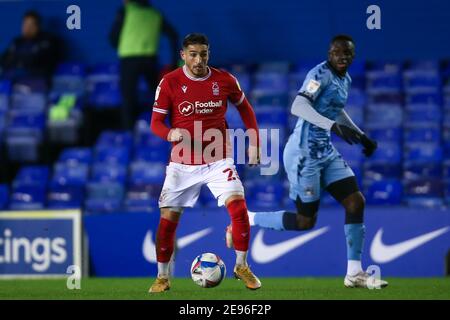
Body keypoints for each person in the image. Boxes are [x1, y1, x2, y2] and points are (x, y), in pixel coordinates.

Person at [226, 35, 388, 289]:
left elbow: (335, 110)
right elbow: (298, 106)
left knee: (356, 201)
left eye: (347, 53)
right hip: (304, 155)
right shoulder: (319, 75)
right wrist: (332, 126)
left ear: (353, 56)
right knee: (305, 221)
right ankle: (248, 218)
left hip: (325, 152)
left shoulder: (344, 79)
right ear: (329, 53)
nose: (342, 57)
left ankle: (354, 273)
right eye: (337, 52)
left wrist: (361, 135)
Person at [148, 33, 262, 293]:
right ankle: (162, 277)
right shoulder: (170, 82)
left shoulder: (224, 80)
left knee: (239, 207)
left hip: (218, 159)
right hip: (182, 164)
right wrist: (169, 133)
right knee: (168, 220)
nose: (199, 60)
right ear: (183, 55)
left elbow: (245, 108)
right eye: (193, 54)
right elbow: (155, 122)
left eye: (203, 54)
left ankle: (241, 266)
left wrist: (254, 142)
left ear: (209, 54)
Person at [109, 0, 179, 130]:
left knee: (128, 98)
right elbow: (173, 35)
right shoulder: (155, 13)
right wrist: (174, 62)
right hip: (150, 59)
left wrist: (123, 43)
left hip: (129, 58)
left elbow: (113, 37)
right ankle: (163, 128)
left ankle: (129, 133)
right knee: (157, 97)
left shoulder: (126, 10)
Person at [0, 10, 61, 84]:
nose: (27, 28)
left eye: (31, 25)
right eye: (25, 24)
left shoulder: (47, 41)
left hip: (36, 82)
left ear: (37, 26)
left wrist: (18, 61)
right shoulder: (17, 41)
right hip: (13, 82)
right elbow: (4, 59)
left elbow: (37, 61)